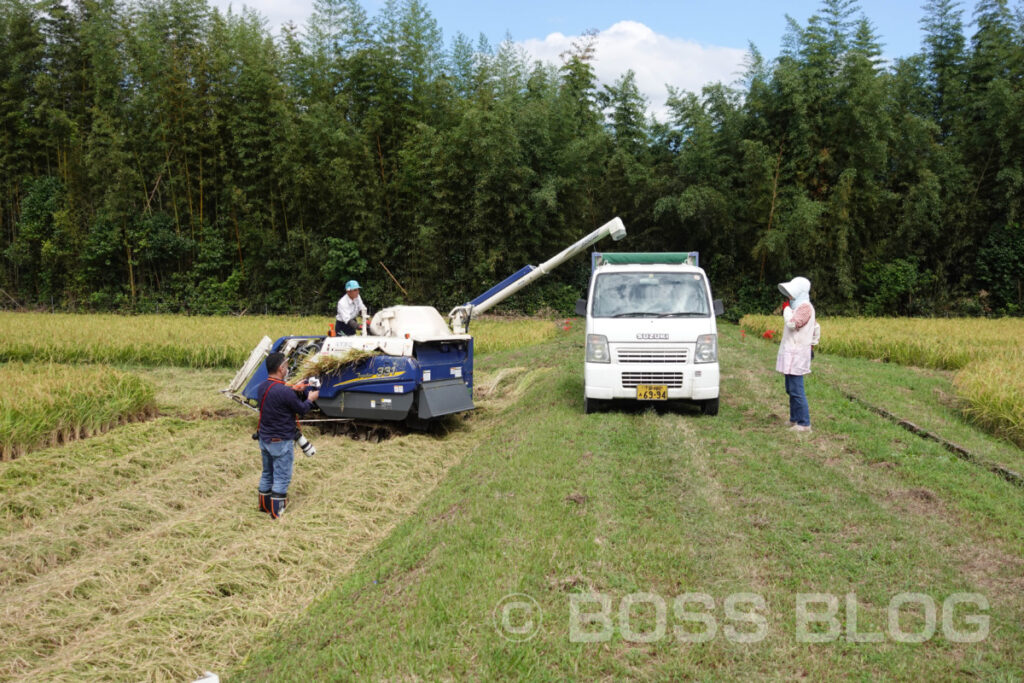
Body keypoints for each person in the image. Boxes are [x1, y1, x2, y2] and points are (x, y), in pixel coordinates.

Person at [255, 352, 319, 518]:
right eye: (286, 365)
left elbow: (277, 393)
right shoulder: (284, 392)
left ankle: (264, 506)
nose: (288, 368)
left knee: (267, 473)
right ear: (280, 368)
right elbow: (302, 409)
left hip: (265, 438)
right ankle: (277, 512)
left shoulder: (262, 387)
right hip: (281, 440)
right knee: (282, 477)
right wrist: (310, 398)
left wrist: (293, 388)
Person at [776, 276, 815, 432]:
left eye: (792, 293)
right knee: (790, 388)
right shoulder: (797, 307)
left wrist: (786, 310)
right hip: (791, 352)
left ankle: (804, 423)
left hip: (797, 353)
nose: (789, 297)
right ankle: (794, 419)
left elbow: (792, 324)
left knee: (797, 389)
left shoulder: (805, 308)